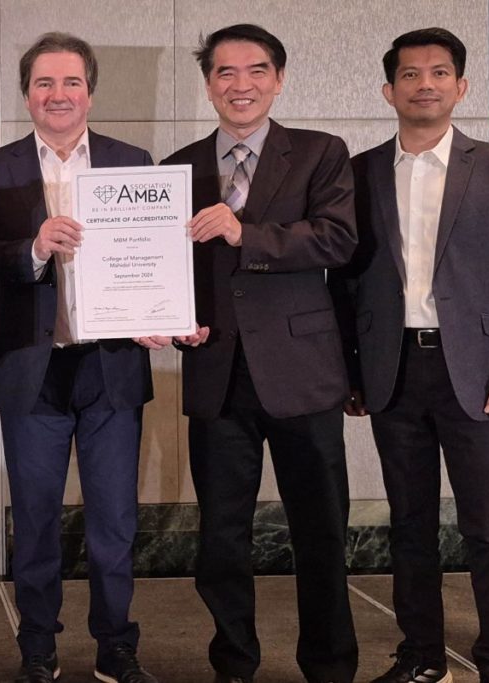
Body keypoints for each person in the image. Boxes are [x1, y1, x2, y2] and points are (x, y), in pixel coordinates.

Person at [161, 23, 358, 683]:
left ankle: (329, 665)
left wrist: (245, 232)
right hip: (216, 370)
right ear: (208, 83)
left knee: (321, 530)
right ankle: (233, 663)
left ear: (278, 79)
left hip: (303, 373)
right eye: (225, 72)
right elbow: (165, 268)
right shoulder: (178, 168)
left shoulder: (320, 152)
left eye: (255, 71)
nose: (240, 85)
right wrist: (170, 320)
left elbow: (336, 239)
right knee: (221, 536)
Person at [0, 31, 163, 683]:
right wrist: (32, 247)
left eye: (71, 82)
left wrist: (158, 313)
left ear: (90, 93)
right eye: (44, 83)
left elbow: (153, 255)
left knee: (115, 520)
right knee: (35, 517)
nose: (59, 94)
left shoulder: (131, 161)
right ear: (26, 94)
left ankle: (116, 644)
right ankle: (38, 647)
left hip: (112, 365)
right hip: (33, 366)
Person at [330, 27, 489, 683]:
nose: (425, 84)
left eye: (439, 73)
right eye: (410, 74)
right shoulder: (359, 172)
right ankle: (421, 656)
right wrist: (352, 370)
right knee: (409, 524)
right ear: (389, 90)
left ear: (461, 87)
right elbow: (344, 282)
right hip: (393, 371)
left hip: (478, 374)